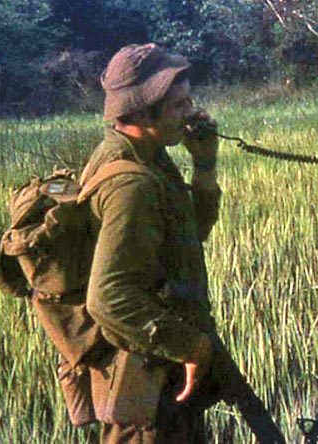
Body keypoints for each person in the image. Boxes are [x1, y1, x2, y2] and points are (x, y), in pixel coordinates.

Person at [81, 43, 222, 443]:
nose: (190, 114)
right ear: (141, 113)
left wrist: (205, 165)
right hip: (145, 394)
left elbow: (188, 236)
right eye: (178, 105)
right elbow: (107, 298)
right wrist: (192, 347)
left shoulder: (150, 157)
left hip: (159, 378)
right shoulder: (131, 183)